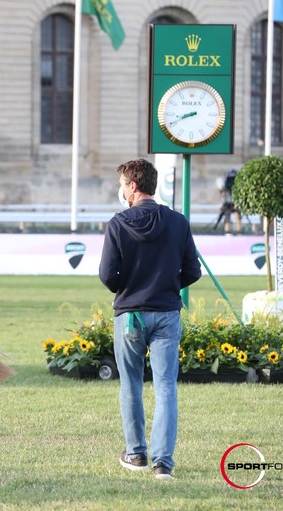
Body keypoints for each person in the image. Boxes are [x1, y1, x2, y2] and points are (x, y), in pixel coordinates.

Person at [98, 158, 202, 480]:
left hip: (130, 315)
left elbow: (106, 275)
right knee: (166, 388)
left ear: (132, 186)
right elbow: (193, 271)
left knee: (131, 385)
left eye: (122, 184)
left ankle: (136, 453)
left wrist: (127, 288)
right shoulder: (178, 222)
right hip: (167, 314)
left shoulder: (117, 224)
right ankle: (163, 463)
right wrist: (167, 286)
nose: (121, 189)